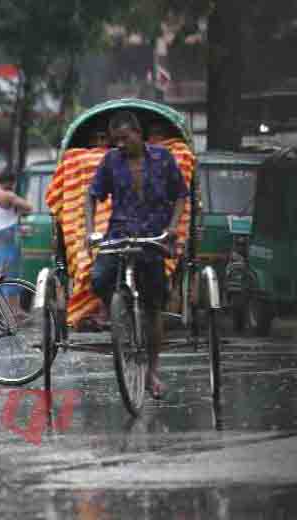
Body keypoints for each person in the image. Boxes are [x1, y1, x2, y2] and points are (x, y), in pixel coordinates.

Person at [85, 110, 189, 399]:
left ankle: (152, 370)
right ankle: (121, 315)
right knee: (99, 277)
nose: (119, 144)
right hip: (119, 233)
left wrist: (172, 228)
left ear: (138, 134)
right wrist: (90, 230)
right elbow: (92, 194)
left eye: (124, 138)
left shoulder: (163, 158)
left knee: (154, 306)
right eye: (114, 140)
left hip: (153, 236)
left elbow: (181, 193)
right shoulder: (111, 161)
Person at [0, 171, 33, 315]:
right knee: (12, 276)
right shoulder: (8, 195)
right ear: (12, 182)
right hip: (8, 239)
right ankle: (15, 311)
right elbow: (28, 207)